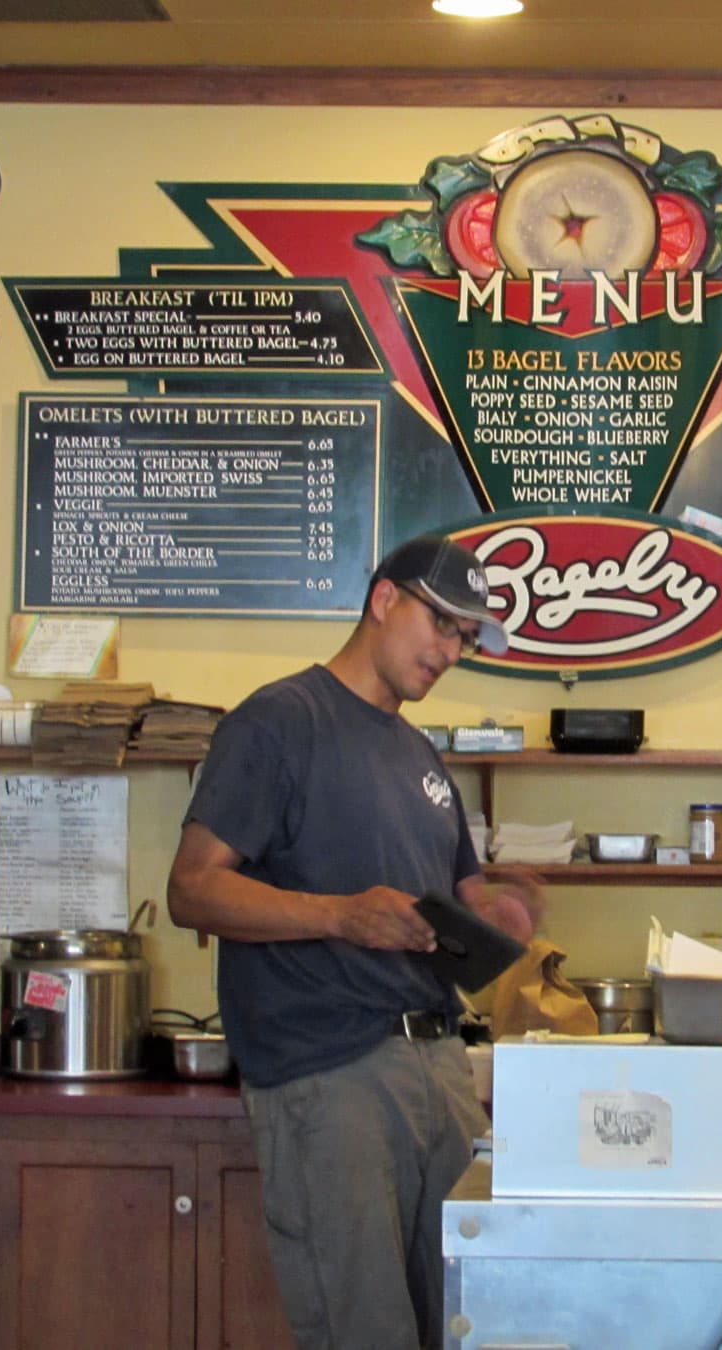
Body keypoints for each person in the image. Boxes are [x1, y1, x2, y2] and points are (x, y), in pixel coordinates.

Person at [165, 534, 541, 1350]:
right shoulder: (279, 721)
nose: (450, 651)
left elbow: (456, 897)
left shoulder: (419, 753)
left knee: (461, 1321)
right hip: (331, 1075)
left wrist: (502, 912)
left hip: (436, 1071)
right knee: (363, 1330)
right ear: (382, 600)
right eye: (441, 624)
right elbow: (191, 889)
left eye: (466, 639)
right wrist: (339, 915)